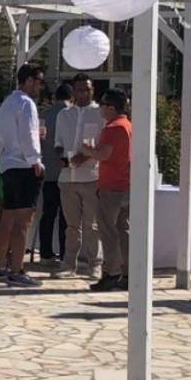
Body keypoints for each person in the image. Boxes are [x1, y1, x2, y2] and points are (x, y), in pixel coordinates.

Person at [0, 62, 45, 288]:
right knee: (23, 221)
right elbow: (29, 135)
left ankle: (1, 267)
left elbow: (0, 137)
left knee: (7, 217)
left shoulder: (5, 104)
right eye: (38, 80)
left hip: (7, 163)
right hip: (23, 165)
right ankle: (17, 269)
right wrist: (35, 161)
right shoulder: (26, 104)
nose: (40, 86)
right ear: (28, 80)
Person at [55, 73, 103, 278]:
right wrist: (61, 158)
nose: (83, 93)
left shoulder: (100, 114)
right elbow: (58, 144)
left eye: (87, 89)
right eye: (80, 89)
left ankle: (95, 264)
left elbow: (102, 145)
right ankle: (68, 264)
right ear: (73, 91)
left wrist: (87, 157)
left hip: (91, 176)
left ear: (92, 91)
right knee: (71, 226)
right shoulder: (64, 115)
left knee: (92, 225)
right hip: (68, 178)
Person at [84, 88, 132, 292]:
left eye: (102, 104)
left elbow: (104, 155)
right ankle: (128, 272)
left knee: (108, 231)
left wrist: (87, 149)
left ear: (110, 108)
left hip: (111, 187)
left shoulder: (113, 128)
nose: (100, 107)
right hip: (126, 185)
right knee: (124, 231)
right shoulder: (128, 125)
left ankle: (111, 273)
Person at [39, 82, 70, 264]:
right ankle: (65, 253)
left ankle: (45, 252)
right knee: (66, 217)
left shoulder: (44, 115)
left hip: (48, 171)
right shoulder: (71, 114)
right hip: (67, 173)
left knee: (48, 214)